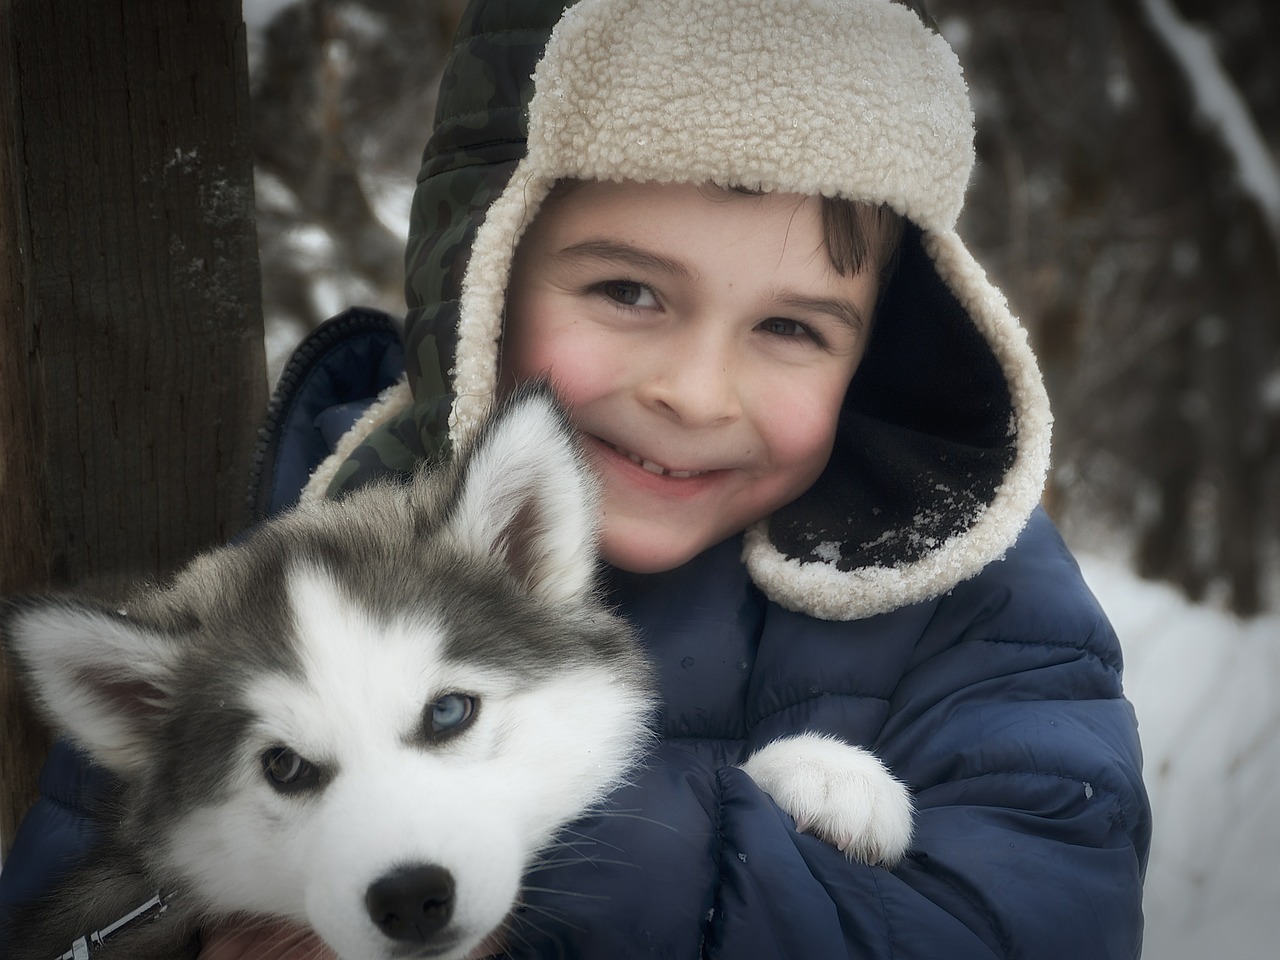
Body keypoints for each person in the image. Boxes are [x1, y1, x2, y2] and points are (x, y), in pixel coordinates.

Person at [2, 1, 1151, 957]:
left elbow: (1037, 920)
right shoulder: (293, 541)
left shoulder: (970, 600)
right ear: (480, 278)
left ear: (879, 350)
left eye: (793, 327)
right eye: (628, 292)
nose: (696, 393)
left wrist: (624, 864)